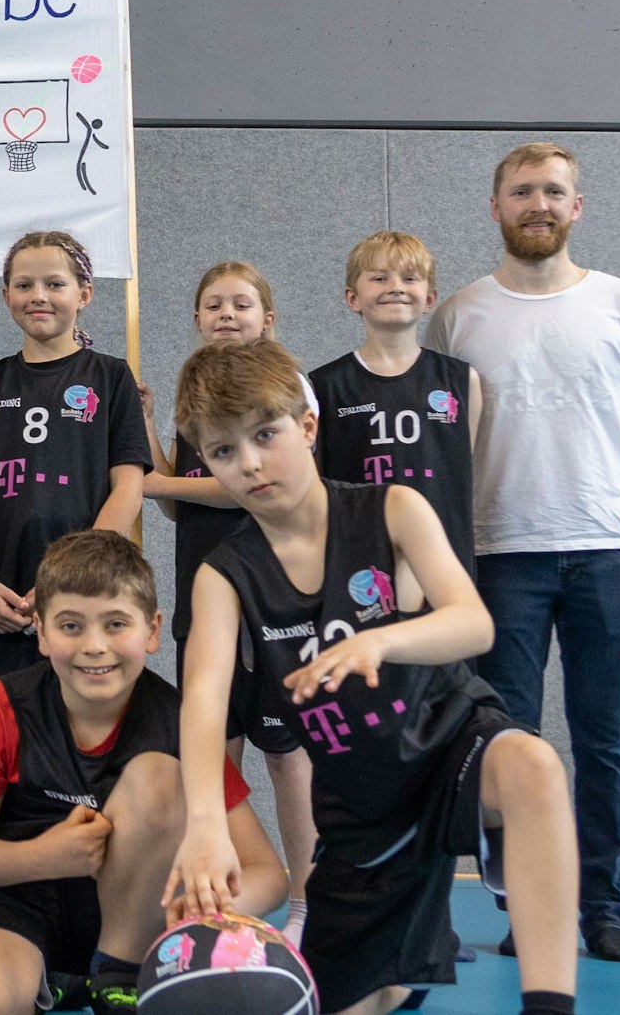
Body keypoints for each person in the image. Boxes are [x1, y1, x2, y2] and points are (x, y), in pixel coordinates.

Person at [165, 339, 579, 1015]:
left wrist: (380, 641)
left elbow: (472, 624)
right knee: (350, 1000)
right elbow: (204, 699)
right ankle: (403, 960)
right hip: (360, 811)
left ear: (305, 425)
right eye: (222, 451)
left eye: (264, 435)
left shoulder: (391, 508)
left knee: (532, 763)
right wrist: (204, 822)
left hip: (445, 742)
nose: (248, 463)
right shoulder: (224, 573)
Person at [425, 142, 620, 963]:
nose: (538, 203)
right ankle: (523, 914)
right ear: (495, 207)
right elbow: (441, 440)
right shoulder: (459, 315)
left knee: (605, 740)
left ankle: (603, 910)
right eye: (522, 190)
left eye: (553, 192)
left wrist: (593, 493)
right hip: (501, 558)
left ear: (576, 207)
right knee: (507, 744)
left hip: (607, 553)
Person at [0, 530, 285, 1015]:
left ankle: (118, 974)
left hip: (140, 922)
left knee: (160, 777)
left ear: (153, 629)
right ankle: (49, 977)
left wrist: (201, 911)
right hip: (13, 899)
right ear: (40, 632)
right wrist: (47, 856)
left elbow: (268, 874)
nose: (95, 646)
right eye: (71, 626)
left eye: (116, 624)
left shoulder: (184, 727)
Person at [138, 261, 318, 945]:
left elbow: (237, 485)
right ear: (194, 319)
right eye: (212, 304)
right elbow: (179, 497)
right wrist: (155, 427)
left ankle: (304, 899)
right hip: (204, 587)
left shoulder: (284, 392)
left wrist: (161, 482)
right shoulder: (196, 397)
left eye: (240, 304)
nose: (225, 314)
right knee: (215, 756)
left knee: (288, 756)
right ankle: (213, 905)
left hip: (275, 598)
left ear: (265, 318)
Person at [0, 231, 150, 701]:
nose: (38, 296)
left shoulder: (110, 377)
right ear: (6, 296)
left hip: (83, 600)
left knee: (85, 748)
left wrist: (66, 580)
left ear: (84, 294)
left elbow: (128, 488)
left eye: (55, 284)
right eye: (24, 285)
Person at [310, 232, 481, 577]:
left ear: (430, 297)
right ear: (352, 298)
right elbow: (314, 487)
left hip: (445, 564)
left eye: (409, 278)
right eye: (379, 278)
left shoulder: (462, 381)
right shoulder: (324, 386)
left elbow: (461, 471)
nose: (396, 287)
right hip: (361, 565)